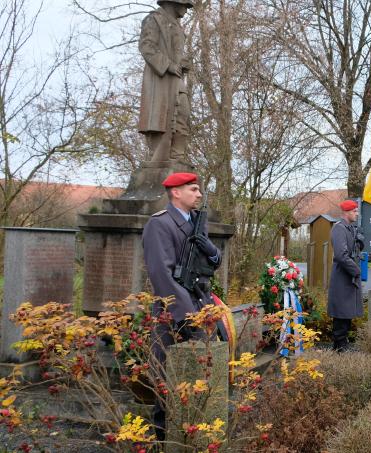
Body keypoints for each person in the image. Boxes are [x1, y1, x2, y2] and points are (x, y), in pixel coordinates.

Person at [143, 172, 221, 440]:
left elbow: (212, 263)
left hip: (201, 304)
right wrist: (189, 318)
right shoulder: (160, 224)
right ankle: (164, 440)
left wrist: (210, 249)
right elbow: (162, 275)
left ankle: (198, 435)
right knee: (169, 377)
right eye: (193, 189)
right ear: (176, 192)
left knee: (202, 373)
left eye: (199, 190)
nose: (199, 194)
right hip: (174, 312)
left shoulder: (197, 222)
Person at [138, 0, 194, 162]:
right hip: (160, 78)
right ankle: (158, 160)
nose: (186, 10)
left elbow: (176, 53)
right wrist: (168, 65)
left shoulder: (177, 26)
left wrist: (183, 62)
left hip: (176, 79)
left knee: (183, 114)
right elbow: (147, 47)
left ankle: (177, 157)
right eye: (184, 5)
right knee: (160, 118)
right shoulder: (154, 19)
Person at [327, 199, 364, 351]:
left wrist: (359, 242)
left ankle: (341, 345)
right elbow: (341, 255)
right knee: (341, 312)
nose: (357, 214)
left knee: (347, 312)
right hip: (342, 276)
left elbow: (353, 252)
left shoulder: (349, 229)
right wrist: (356, 270)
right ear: (346, 212)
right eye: (354, 211)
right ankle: (340, 346)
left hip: (348, 275)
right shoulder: (339, 229)